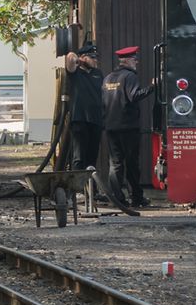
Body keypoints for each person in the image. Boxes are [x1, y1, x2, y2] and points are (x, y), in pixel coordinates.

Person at [102, 46, 154, 207]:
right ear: (126, 61)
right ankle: (137, 198)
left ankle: (117, 198)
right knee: (132, 163)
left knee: (116, 164)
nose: (136, 62)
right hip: (128, 127)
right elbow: (134, 96)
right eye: (134, 59)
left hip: (111, 126)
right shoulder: (129, 77)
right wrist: (152, 87)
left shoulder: (108, 78)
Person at [64, 43, 104, 172]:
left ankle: (91, 189)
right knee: (79, 158)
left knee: (91, 159)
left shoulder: (98, 73)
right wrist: (78, 59)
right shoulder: (75, 73)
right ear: (83, 58)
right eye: (92, 57)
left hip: (96, 120)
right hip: (80, 120)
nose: (95, 60)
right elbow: (70, 57)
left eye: (96, 57)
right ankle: (77, 189)